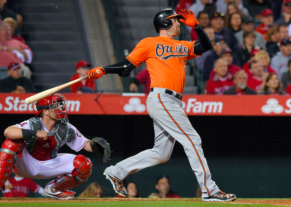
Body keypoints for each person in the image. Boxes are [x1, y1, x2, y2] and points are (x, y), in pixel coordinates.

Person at [88, 8, 236, 201]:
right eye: (175, 20)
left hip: (172, 101)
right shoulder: (149, 43)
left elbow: (205, 46)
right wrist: (104, 70)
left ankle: (117, 171)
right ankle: (210, 191)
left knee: (162, 153)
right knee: (193, 140)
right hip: (162, 98)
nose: (179, 23)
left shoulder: (182, 45)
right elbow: (126, 67)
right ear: (165, 23)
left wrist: (197, 27)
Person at [0, 93, 112, 199]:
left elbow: (87, 145)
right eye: (55, 106)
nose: (61, 108)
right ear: (46, 112)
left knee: (84, 164)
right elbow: (8, 131)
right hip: (26, 164)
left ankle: (53, 189)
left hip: (48, 164)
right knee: (10, 143)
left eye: (60, 105)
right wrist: (36, 133)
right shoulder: (33, 123)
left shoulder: (66, 127)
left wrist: (98, 146)